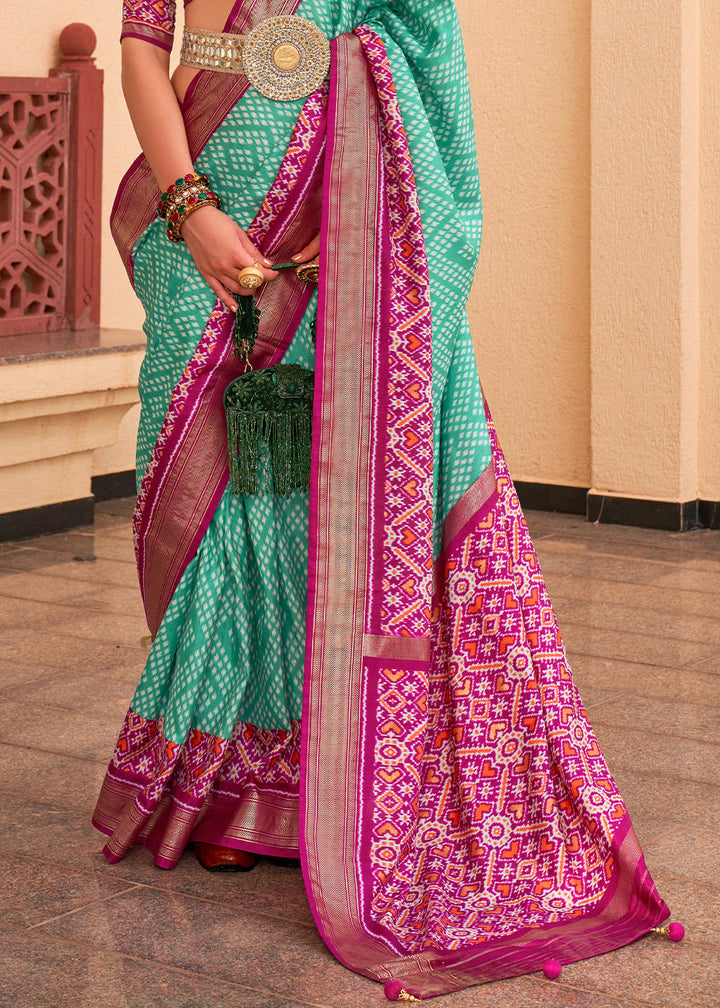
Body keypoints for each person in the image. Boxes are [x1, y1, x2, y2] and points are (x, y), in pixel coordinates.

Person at [94, 0, 679, 999]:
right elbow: (143, 47)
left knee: (296, 505)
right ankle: (211, 774)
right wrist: (191, 211)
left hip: (342, 223)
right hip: (200, 206)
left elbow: (420, 46)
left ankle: (283, 788)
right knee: (199, 489)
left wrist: (371, 198)